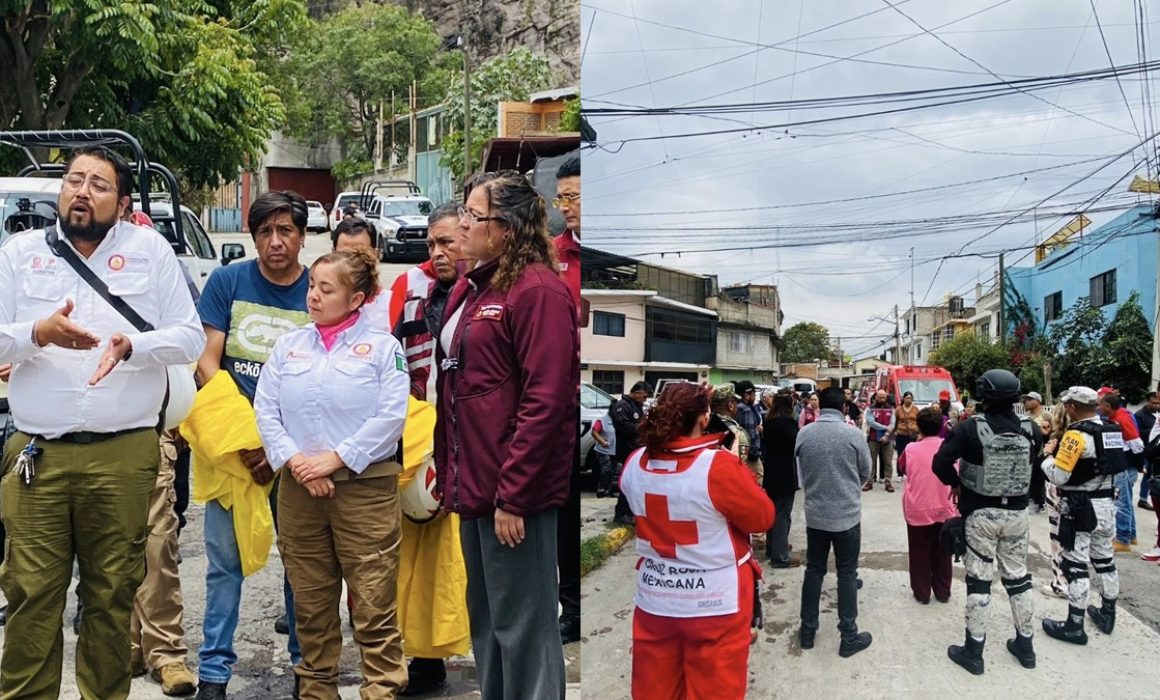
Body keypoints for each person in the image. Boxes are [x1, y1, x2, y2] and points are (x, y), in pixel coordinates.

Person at [0, 145, 206, 699]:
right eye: (74, 180)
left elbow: (189, 336)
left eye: (98, 183)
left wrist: (132, 345)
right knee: (30, 594)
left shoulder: (152, 251)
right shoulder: (19, 253)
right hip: (36, 456)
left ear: (123, 200)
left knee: (112, 596)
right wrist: (37, 333)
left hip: (123, 454)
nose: (82, 191)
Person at [434, 170, 578, 698]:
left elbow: (546, 402)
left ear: (508, 228)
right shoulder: (474, 287)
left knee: (525, 628)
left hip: (512, 496)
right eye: (465, 212)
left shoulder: (537, 290)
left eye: (475, 216)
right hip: (476, 487)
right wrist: (446, 470)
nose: (463, 223)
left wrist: (515, 495)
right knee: (489, 624)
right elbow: (460, 389)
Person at [254, 249, 410, 698]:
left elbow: (389, 419)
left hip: (364, 490)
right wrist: (298, 462)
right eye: (312, 286)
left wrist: (337, 459)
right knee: (311, 602)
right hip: (300, 490)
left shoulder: (383, 349)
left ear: (356, 297)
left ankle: (381, 688)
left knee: (373, 601)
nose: (314, 296)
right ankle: (317, 690)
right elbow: (266, 411)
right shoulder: (289, 345)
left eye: (327, 289)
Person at [193, 190, 311, 699]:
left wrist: (277, 445)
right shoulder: (227, 281)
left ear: (302, 236)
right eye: (265, 231)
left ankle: (308, 667)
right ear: (253, 235)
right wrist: (246, 439)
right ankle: (214, 675)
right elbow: (206, 363)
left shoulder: (319, 287)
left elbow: (328, 378)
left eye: (286, 230)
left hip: (297, 454)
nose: (275, 241)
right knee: (224, 566)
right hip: (235, 451)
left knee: (301, 566)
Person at [620, 383, 774, 700]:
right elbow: (762, 518)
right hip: (717, 602)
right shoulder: (717, 467)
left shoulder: (634, 461)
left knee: (655, 689)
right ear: (705, 419)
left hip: (655, 600)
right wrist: (734, 465)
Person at [117, 204, 199, 696]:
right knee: (109, 550)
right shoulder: (61, 264)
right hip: (88, 433)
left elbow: (187, 339)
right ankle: (123, 647)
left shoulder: (161, 264)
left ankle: (166, 652)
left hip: (150, 431)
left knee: (156, 545)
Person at [393, 204, 473, 694]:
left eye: (447, 243)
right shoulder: (413, 292)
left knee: (463, 558)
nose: (438, 254)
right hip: (422, 439)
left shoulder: (494, 292)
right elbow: (394, 361)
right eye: (431, 245)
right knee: (416, 558)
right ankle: (423, 658)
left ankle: (473, 647)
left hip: (475, 445)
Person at [933, 369, 1038, 675]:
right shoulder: (1032, 429)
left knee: (979, 580)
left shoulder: (968, 429)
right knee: (1018, 578)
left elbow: (939, 463)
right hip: (1018, 515)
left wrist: (957, 482)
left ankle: (974, 652)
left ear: (983, 394)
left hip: (980, 514)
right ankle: (1026, 646)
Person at [1040, 386, 1124, 645]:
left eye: (1067, 405)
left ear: (1073, 407)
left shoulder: (1075, 436)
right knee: (1105, 561)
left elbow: (1060, 476)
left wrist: (1046, 458)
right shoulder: (1110, 430)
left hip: (1080, 507)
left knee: (1075, 565)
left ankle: (1074, 625)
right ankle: (1107, 614)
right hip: (1107, 505)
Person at [795, 387, 873, 657]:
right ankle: (848, 636)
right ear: (843, 408)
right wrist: (850, 489)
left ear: (819, 407)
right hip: (847, 517)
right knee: (847, 573)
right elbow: (866, 471)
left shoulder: (804, 433)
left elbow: (801, 472)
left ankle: (807, 631)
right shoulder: (852, 434)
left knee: (814, 571)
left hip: (816, 515)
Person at [552, 159, 583, 647]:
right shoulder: (550, 255)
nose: (566, 209)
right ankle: (566, 607)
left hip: (582, 405)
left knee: (576, 514)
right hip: (554, 408)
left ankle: (577, 606)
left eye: (574, 197)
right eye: (561, 199)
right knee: (560, 516)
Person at [898, 407, 955, 605]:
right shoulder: (950, 447)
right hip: (946, 507)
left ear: (919, 427)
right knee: (943, 552)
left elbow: (902, 468)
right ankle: (943, 591)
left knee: (919, 552)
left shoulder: (911, 449)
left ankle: (922, 593)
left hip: (917, 508)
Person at [1098, 393, 1144, 552]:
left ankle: (1123, 540)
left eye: (1100, 405)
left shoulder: (1122, 419)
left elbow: (1137, 445)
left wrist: (1134, 465)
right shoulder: (1119, 416)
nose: (1098, 408)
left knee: (1121, 502)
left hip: (1124, 465)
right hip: (1125, 464)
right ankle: (1131, 535)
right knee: (1126, 501)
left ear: (1108, 407)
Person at [331, 218, 392, 332]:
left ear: (375, 254)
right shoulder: (322, 302)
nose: (351, 262)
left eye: (359, 254)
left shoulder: (392, 304)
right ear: (332, 254)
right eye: (344, 255)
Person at [762, 392, 801, 568]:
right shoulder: (787, 422)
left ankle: (774, 546)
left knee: (772, 511)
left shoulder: (769, 421)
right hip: (785, 472)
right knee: (783, 514)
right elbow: (796, 444)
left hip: (770, 471)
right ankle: (780, 556)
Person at [612, 382, 652, 525]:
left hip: (637, 449)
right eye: (644, 395)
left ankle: (630, 512)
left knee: (637, 482)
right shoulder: (622, 406)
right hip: (627, 449)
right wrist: (642, 427)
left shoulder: (637, 406)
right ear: (637, 392)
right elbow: (622, 426)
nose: (645, 399)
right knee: (628, 482)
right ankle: (621, 513)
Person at [864, 390, 897, 492]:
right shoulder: (870, 409)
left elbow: (893, 423)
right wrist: (885, 427)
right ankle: (870, 481)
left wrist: (887, 434)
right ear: (876, 397)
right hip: (873, 438)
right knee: (871, 461)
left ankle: (888, 482)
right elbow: (871, 422)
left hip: (888, 438)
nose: (882, 399)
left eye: (884, 397)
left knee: (888, 461)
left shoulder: (891, 409)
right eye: (880, 397)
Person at [1023, 392, 1049, 513]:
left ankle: (1042, 502)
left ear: (1037, 401)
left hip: (1042, 452)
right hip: (1028, 451)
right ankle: (1032, 500)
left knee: (1040, 477)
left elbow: (1053, 432)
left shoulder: (1046, 415)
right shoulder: (1026, 415)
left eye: (1029, 399)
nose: (1025, 402)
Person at [733, 380, 765, 481]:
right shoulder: (746, 410)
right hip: (749, 453)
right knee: (757, 475)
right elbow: (749, 433)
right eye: (753, 394)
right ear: (746, 395)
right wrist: (754, 452)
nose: (755, 396)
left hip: (740, 451)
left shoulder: (736, 407)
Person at [708, 383, 749, 461]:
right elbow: (741, 464)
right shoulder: (736, 433)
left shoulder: (703, 426)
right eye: (736, 402)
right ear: (731, 406)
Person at [1133, 391, 1159, 511]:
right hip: (1145, 450)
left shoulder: (1157, 414)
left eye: (1158, 403)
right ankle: (1143, 499)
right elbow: (1137, 433)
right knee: (1147, 474)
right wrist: (1153, 430)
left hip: (1155, 451)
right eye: (1154, 403)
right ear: (1148, 402)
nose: (1157, 406)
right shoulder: (1139, 415)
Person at [593, 400, 618, 498]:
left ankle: (609, 490)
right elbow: (594, 432)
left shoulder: (619, 420)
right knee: (606, 469)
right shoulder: (602, 420)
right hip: (603, 450)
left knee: (613, 471)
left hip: (615, 450)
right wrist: (602, 441)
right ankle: (601, 489)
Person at [895, 391, 919, 461]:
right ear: (903, 399)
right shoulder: (899, 409)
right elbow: (895, 422)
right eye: (907, 398)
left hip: (913, 435)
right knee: (901, 454)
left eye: (910, 398)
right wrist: (895, 432)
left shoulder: (915, 409)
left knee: (912, 454)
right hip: (901, 435)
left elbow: (919, 421)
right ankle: (900, 470)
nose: (909, 400)